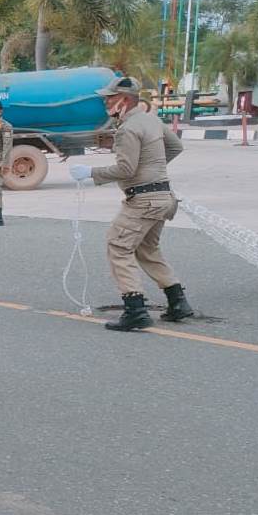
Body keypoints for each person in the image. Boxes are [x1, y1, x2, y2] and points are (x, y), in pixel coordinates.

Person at [69, 76, 193, 332]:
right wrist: (153, 169)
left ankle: (135, 309)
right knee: (147, 249)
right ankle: (177, 301)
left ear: (124, 100)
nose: (105, 102)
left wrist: (91, 174)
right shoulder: (151, 119)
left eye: (110, 98)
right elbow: (176, 146)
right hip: (163, 197)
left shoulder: (127, 129)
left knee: (118, 246)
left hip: (144, 200)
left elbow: (126, 169)